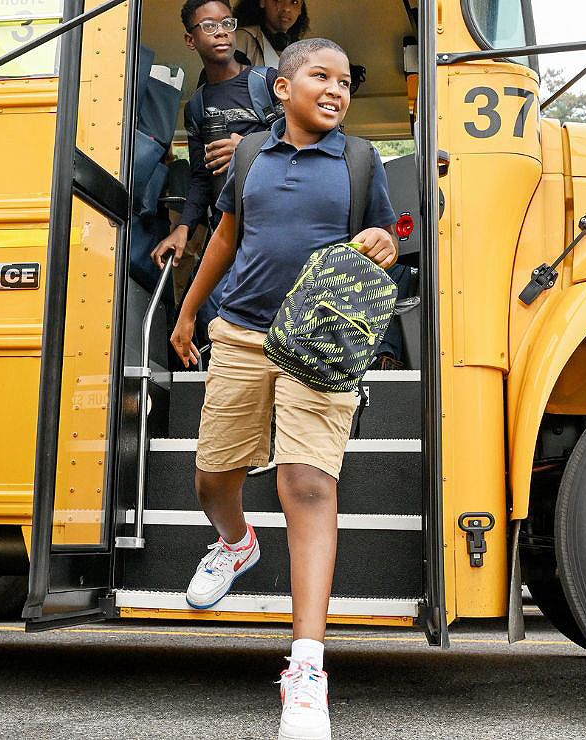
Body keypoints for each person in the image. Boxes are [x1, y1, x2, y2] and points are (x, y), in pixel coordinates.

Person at [170, 38, 397, 740]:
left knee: (307, 486)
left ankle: (305, 671)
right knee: (214, 477)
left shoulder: (360, 160)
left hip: (318, 344)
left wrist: (385, 242)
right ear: (282, 88)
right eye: (320, 77)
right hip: (238, 332)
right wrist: (187, 311)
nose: (335, 90)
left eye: (343, 82)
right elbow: (225, 237)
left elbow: (387, 234)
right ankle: (236, 542)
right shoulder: (246, 156)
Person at [151, 0, 281, 286]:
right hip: (230, 233)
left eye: (227, 23)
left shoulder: (267, 82)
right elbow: (201, 178)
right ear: (190, 39)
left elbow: (303, 142)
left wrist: (245, 149)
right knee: (205, 316)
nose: (221, 32)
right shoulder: (196, 107)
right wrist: (183, 227)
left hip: (277, 223)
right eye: (209, 26)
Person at [233, 0, 310, 67]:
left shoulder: (301, 50)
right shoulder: (243, 39)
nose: (287, 8)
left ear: (300, 8)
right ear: (262, 2)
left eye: (295, 2)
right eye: (278, 0)